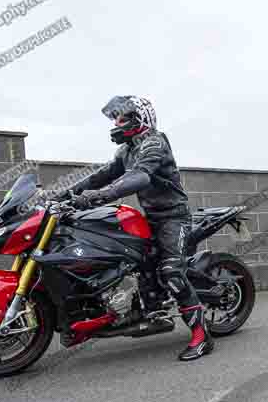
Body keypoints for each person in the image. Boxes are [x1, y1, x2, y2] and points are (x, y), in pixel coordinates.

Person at [54, 95, 213, 362]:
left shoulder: (154, 142)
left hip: (173, 218)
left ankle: (201, 336)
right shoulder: (126, 150)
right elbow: (100, 176)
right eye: (115, 118)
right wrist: (62, 195)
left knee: (171, 270)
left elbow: (140, 176)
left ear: (140, 119)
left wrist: (98, 196)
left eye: (122, 117)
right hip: (149, 217)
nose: (116, 123)